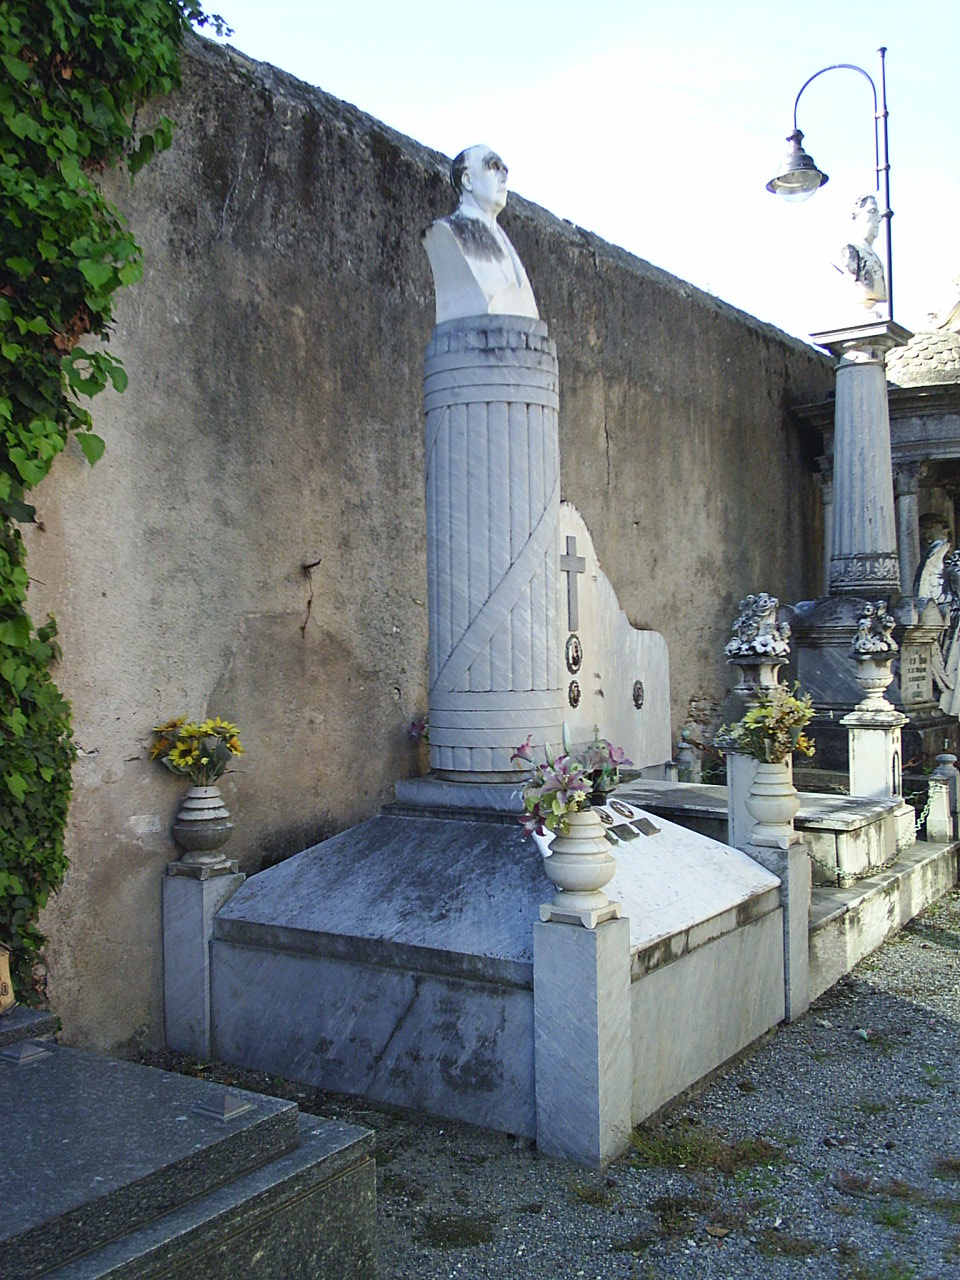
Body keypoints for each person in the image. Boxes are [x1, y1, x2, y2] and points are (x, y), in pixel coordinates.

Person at [422, 144, 539, 324]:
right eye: (494, 167)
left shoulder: (504, 239)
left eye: (504, 169)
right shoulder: (447, 231)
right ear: (467, 180)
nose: (504, 177)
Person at [832, 194, 886, 314]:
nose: (879, 219)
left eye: (878, 214)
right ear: (856, 216)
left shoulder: (874, 257)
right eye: (872, 212)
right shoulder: (848, 249)